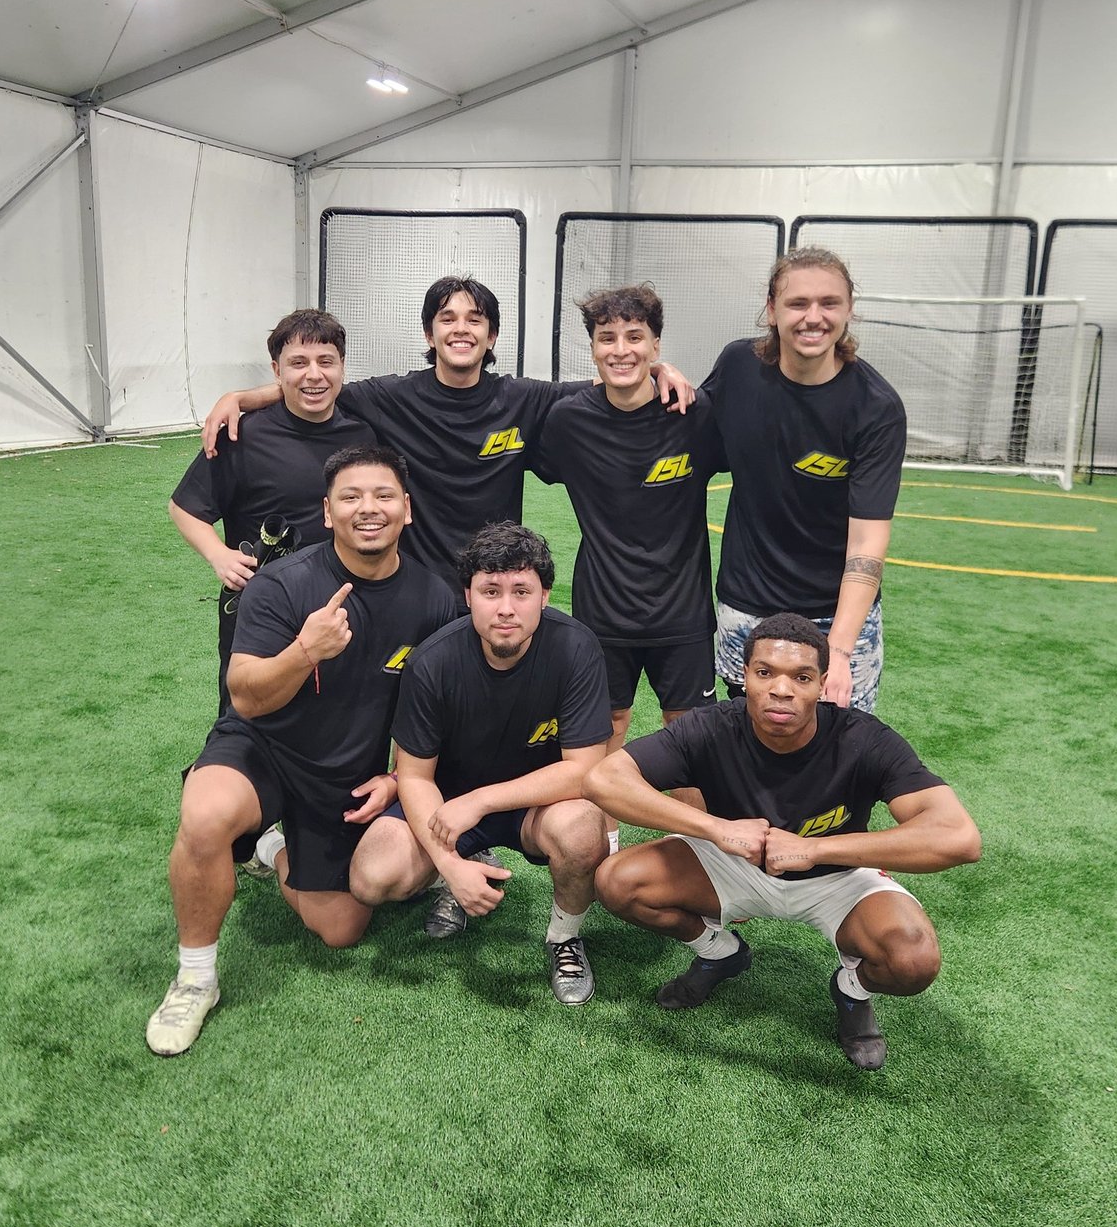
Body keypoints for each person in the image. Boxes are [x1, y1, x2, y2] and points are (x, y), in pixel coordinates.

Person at [146, 445, 460, 1057]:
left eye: (383, 496)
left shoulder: (435, 599)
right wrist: (304, 652)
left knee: (341, 930)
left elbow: (435, 714)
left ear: (408, 510)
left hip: (348, 774)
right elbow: (245, 697)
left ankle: (272, 845)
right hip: (264, 748)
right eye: (350, 497)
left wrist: (399, 779)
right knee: (205, 814)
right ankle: (195, 979)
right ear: (326, 512)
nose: (367, 509)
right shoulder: (282, 586)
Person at [585, 614, 979, 1070]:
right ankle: (719, 955)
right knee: (618, 882)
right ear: (744, 675)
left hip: (837, 878)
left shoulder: (864, 739)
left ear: (822, 684)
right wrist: (715, 829)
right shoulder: (711, 727)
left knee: (913, 959)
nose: (781, 689)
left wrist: (817, 849)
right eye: (765, 672)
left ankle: (851, 993)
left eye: (802, 677)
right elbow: (603, 780)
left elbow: (959, 837)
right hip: (733, 863)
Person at [200, 276, 693, 577]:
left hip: (492, 580)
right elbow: (318, 387)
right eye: (447, 318)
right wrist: (241, 397)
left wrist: (654, 369)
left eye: (475, 319)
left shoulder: (524, 399)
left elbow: (607, 381)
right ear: (429, 334)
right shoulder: (390, 397)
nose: (462, 328)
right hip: (416, 580)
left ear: (491, 335)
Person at [348, 524, 611, 1004]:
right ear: (468, 595)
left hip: (534, 804)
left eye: (521, 591)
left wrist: (482, 801)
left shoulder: (576, 649)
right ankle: (468, 863)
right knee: (371, 877)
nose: (506, 608)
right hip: (445, 803)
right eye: (490, 591)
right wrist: (450, 865)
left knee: (582, 831)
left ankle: (564, 937)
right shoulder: (433, 661)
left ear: (544, 597)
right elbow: (414, 775)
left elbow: (584, 769)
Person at [532, 284, 721, 850]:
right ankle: (603, 847)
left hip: (684, 610)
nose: (621, 349)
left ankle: (695, 855)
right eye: (607, 338)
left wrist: (674, 375)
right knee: (604, 734)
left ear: (655, 344)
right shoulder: (567, 422)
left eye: (635, 337)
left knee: (689, 738)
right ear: (591, 348)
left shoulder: (692, 412)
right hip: (602, 612)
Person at [705, 248, 905, 712]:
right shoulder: (738, 368)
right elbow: (684, 423)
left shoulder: (876, 408)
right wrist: (654, 372)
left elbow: (867, 544)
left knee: (838, 757)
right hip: (746, 606)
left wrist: (838, 646)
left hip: (835, 615)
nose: (813, 317)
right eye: (798, 303)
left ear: (849, 308)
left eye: (829, 303)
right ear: (771, 310)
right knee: (744, 752)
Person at [169, 309, 374, 716]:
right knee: (249, 714)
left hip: (343, 607)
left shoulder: (364, 435)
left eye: (325, 362)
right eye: (298, 363)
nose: (313, 375)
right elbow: (184, 507)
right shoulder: (242, 435)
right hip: (260, 609)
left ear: (342, 367)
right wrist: (218, 555)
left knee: (338, 717)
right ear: (276, 370)